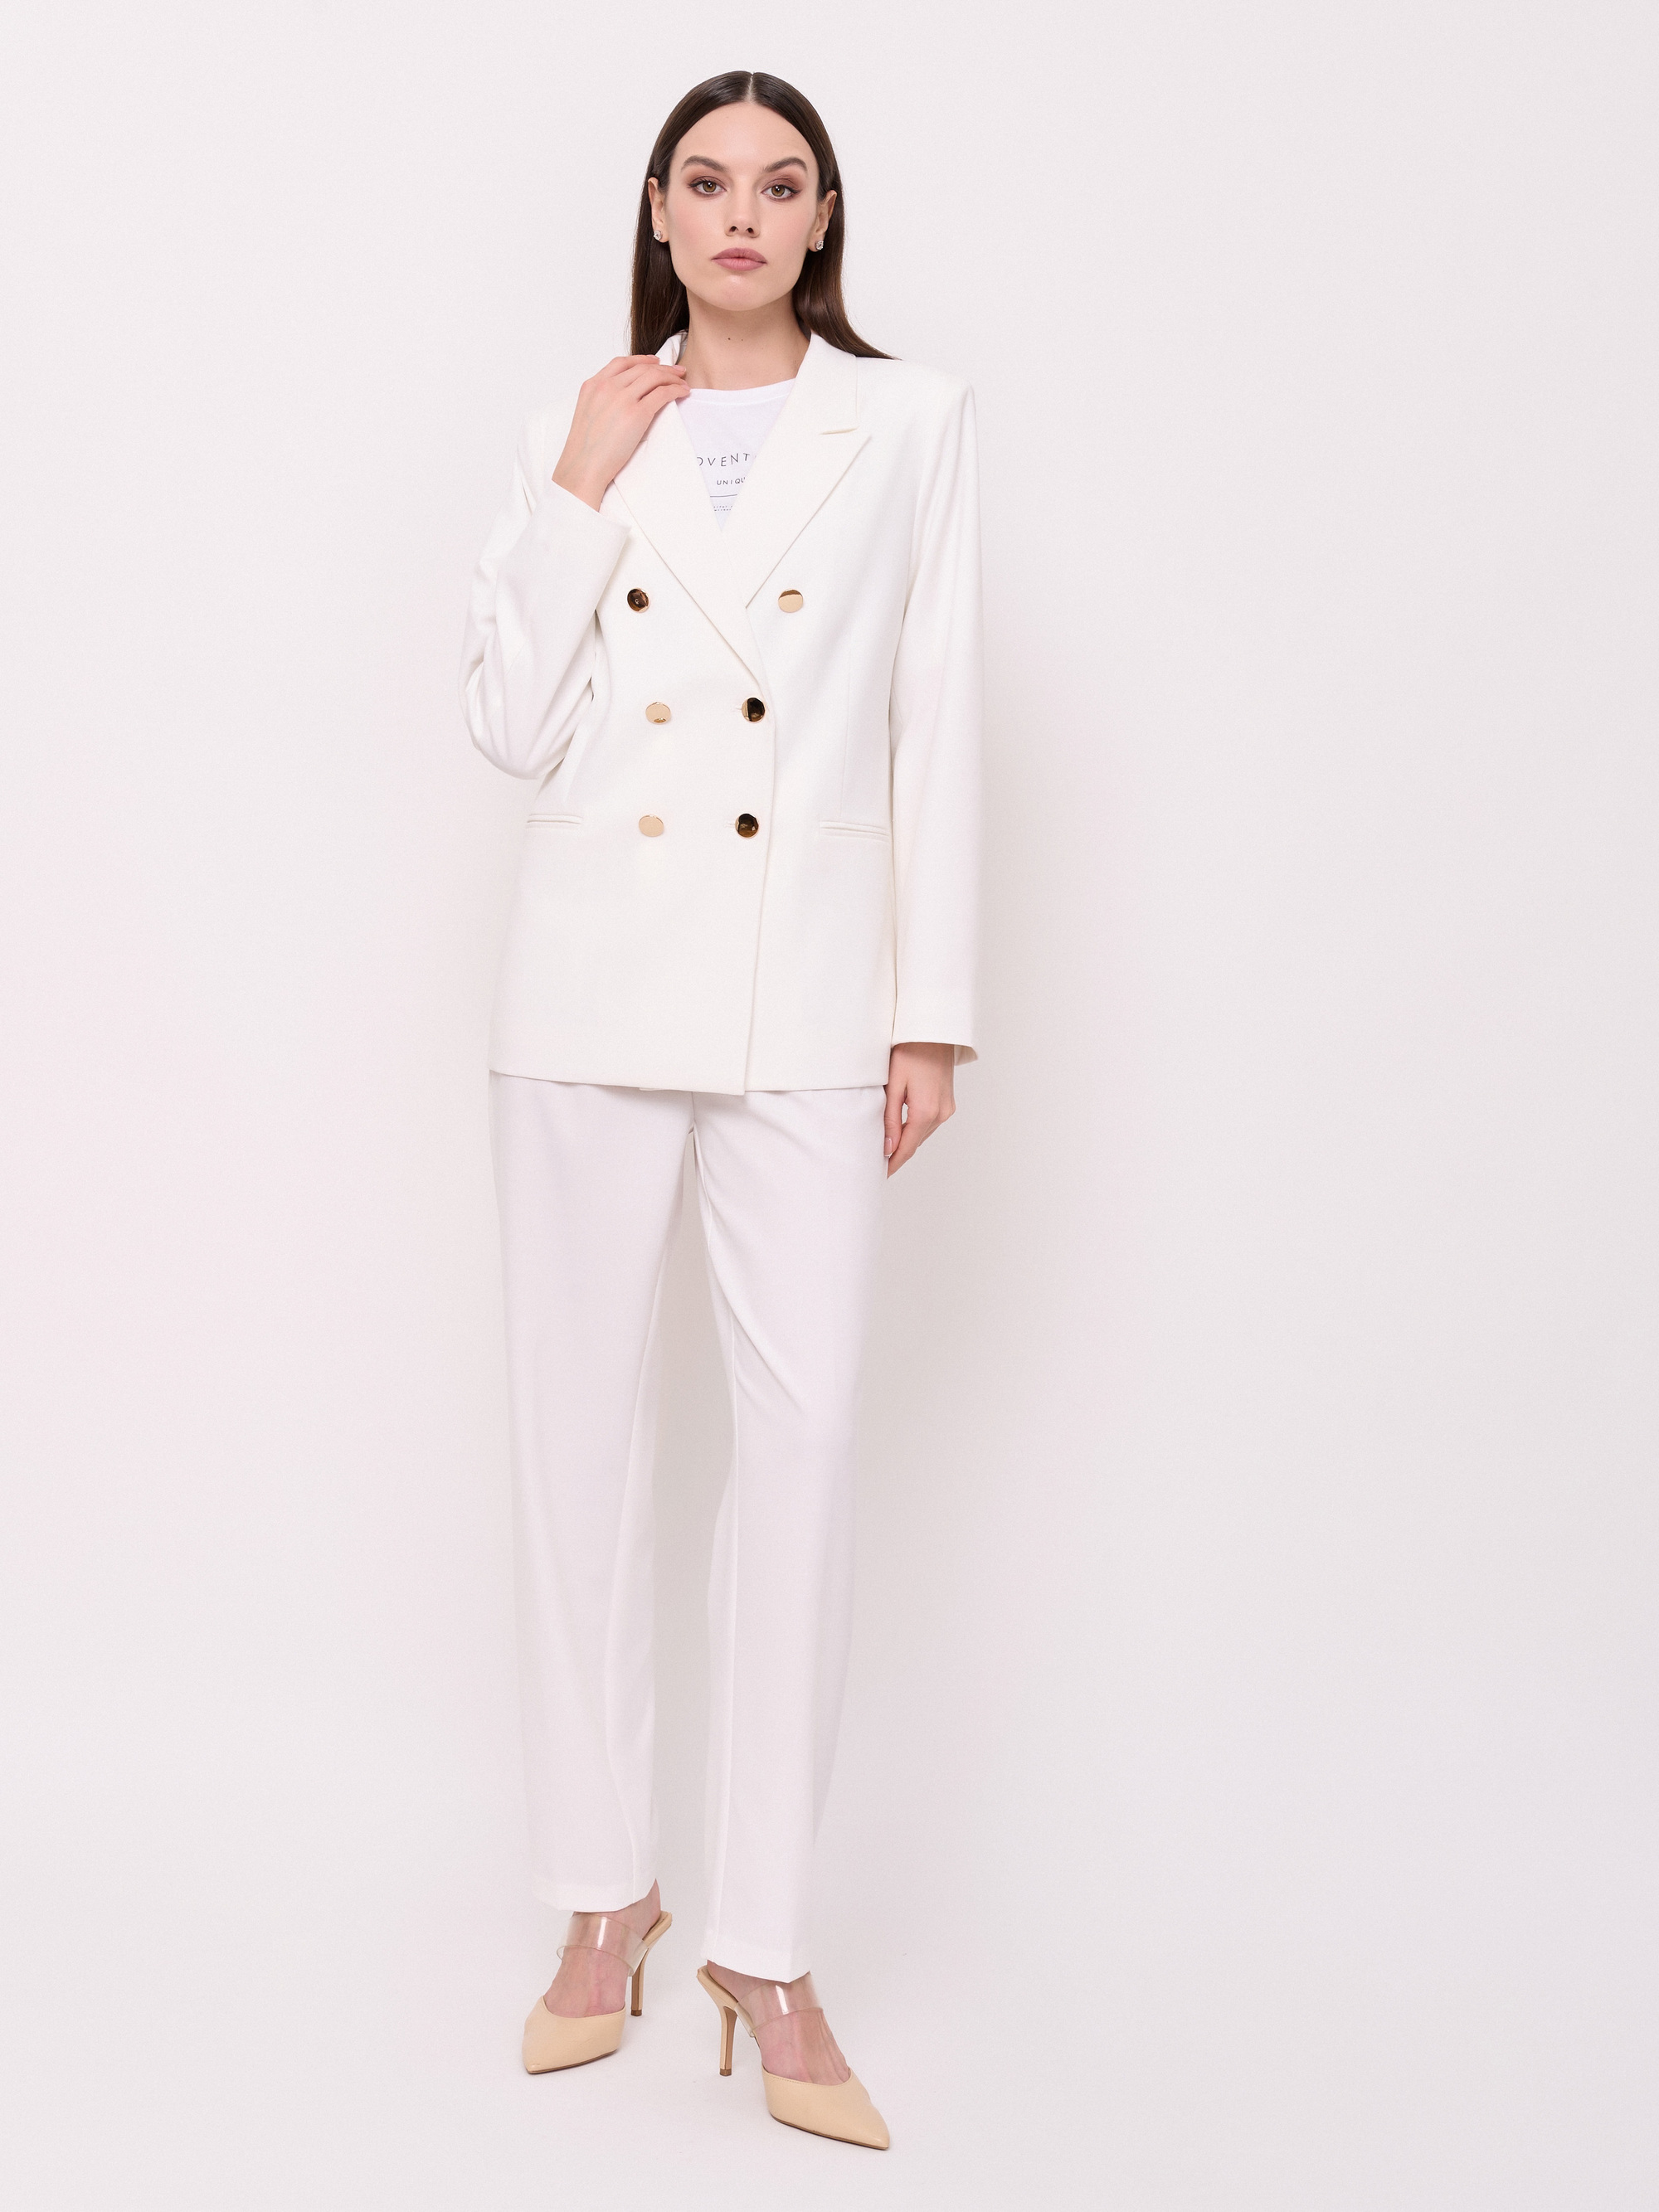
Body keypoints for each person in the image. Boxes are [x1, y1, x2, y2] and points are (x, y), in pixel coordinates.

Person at [459, 68, 980, 2150]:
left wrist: (930, 1013)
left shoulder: (911, 422)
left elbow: (937, 709)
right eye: (706, 182)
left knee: (805, 1450)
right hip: (584, 984)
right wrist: (580, 486)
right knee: (575, 1447)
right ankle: (606, 1898)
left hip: (808, 994)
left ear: (821, 216)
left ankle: (766, 1942)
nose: (742, 212)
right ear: (661, 215)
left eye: (780, 182)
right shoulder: (575, 422)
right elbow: (509, 722)